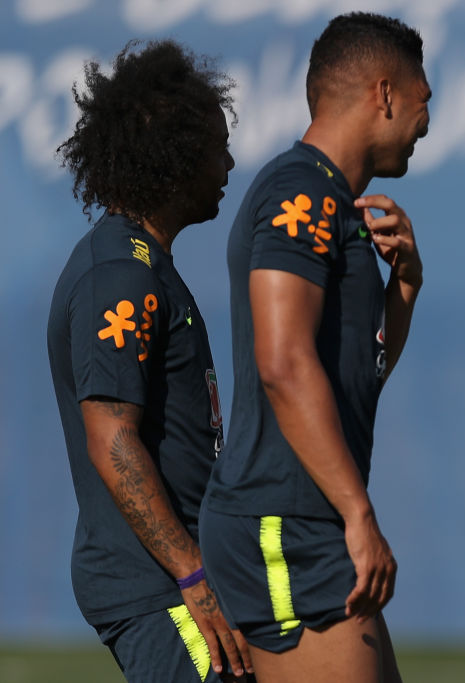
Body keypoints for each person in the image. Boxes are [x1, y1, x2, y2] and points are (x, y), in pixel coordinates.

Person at [198, 11, 428, 682]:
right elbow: (282, 363)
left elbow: (354, 378)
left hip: (308, 523)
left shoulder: (334, 205)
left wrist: (405, 288)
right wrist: (359, 513)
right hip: (285, 524)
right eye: (423, 99)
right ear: (384, 94)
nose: (426, 120)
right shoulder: (299, 190)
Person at [47, 40, 253, 681]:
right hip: (159, 586)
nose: (229, 161)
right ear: (177, 155)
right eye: (217, 145)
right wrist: (191, 572)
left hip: (179, 579)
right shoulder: (120, 273)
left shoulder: (147, 265)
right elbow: (111, 435)